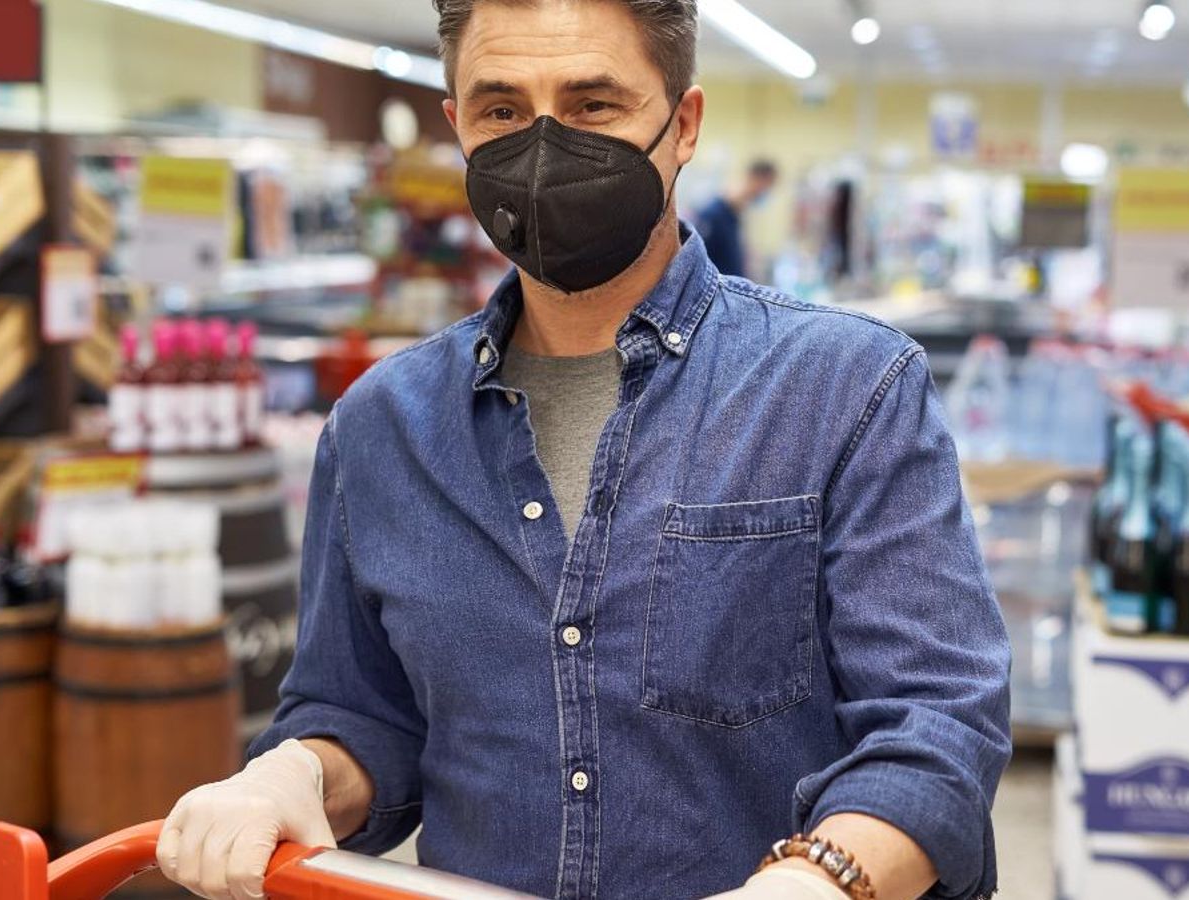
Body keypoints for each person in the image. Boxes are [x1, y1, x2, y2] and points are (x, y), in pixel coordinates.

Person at [156, 2, 1012, 899]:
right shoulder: (380, 427)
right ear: (456, 125)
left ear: (682, 126)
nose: (543, 147)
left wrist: (822, 879)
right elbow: (366, 714)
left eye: (593, 104)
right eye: (502, 110)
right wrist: (292, 775)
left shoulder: (845, 389)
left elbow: (937, 724)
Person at [695, 158, 777, 278]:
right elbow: (698, 262)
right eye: (767, 186)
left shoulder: (736, 215)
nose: (766, 193)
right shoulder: (713, 215)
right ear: (757, 179)